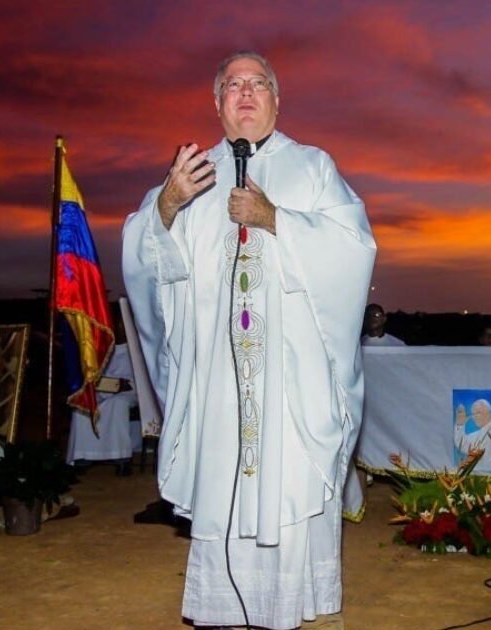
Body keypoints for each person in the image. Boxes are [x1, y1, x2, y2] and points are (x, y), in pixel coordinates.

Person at [120, 51, 376, 629]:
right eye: (232, 85)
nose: (245, 92)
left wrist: (276, 219)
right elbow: (142, 262)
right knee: (224, 476)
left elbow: (355, 250)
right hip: (217, 379)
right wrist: (165, 206)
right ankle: (221, 608)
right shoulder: (192, 173)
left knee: (285, 481)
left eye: (257, 83)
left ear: (276, 100)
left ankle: (288, 601)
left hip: (289, 378)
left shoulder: (312, 167)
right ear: (216, 103)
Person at [65, 314, 138, 476]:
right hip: (103, 390)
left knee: (117, 404)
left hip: (130, 392)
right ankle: (83, 456)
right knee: (82, 406)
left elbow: (142, 378)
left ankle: (121, 459)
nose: (121, 329)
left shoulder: (137, 349)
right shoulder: (103, 348)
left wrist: (124, 385)